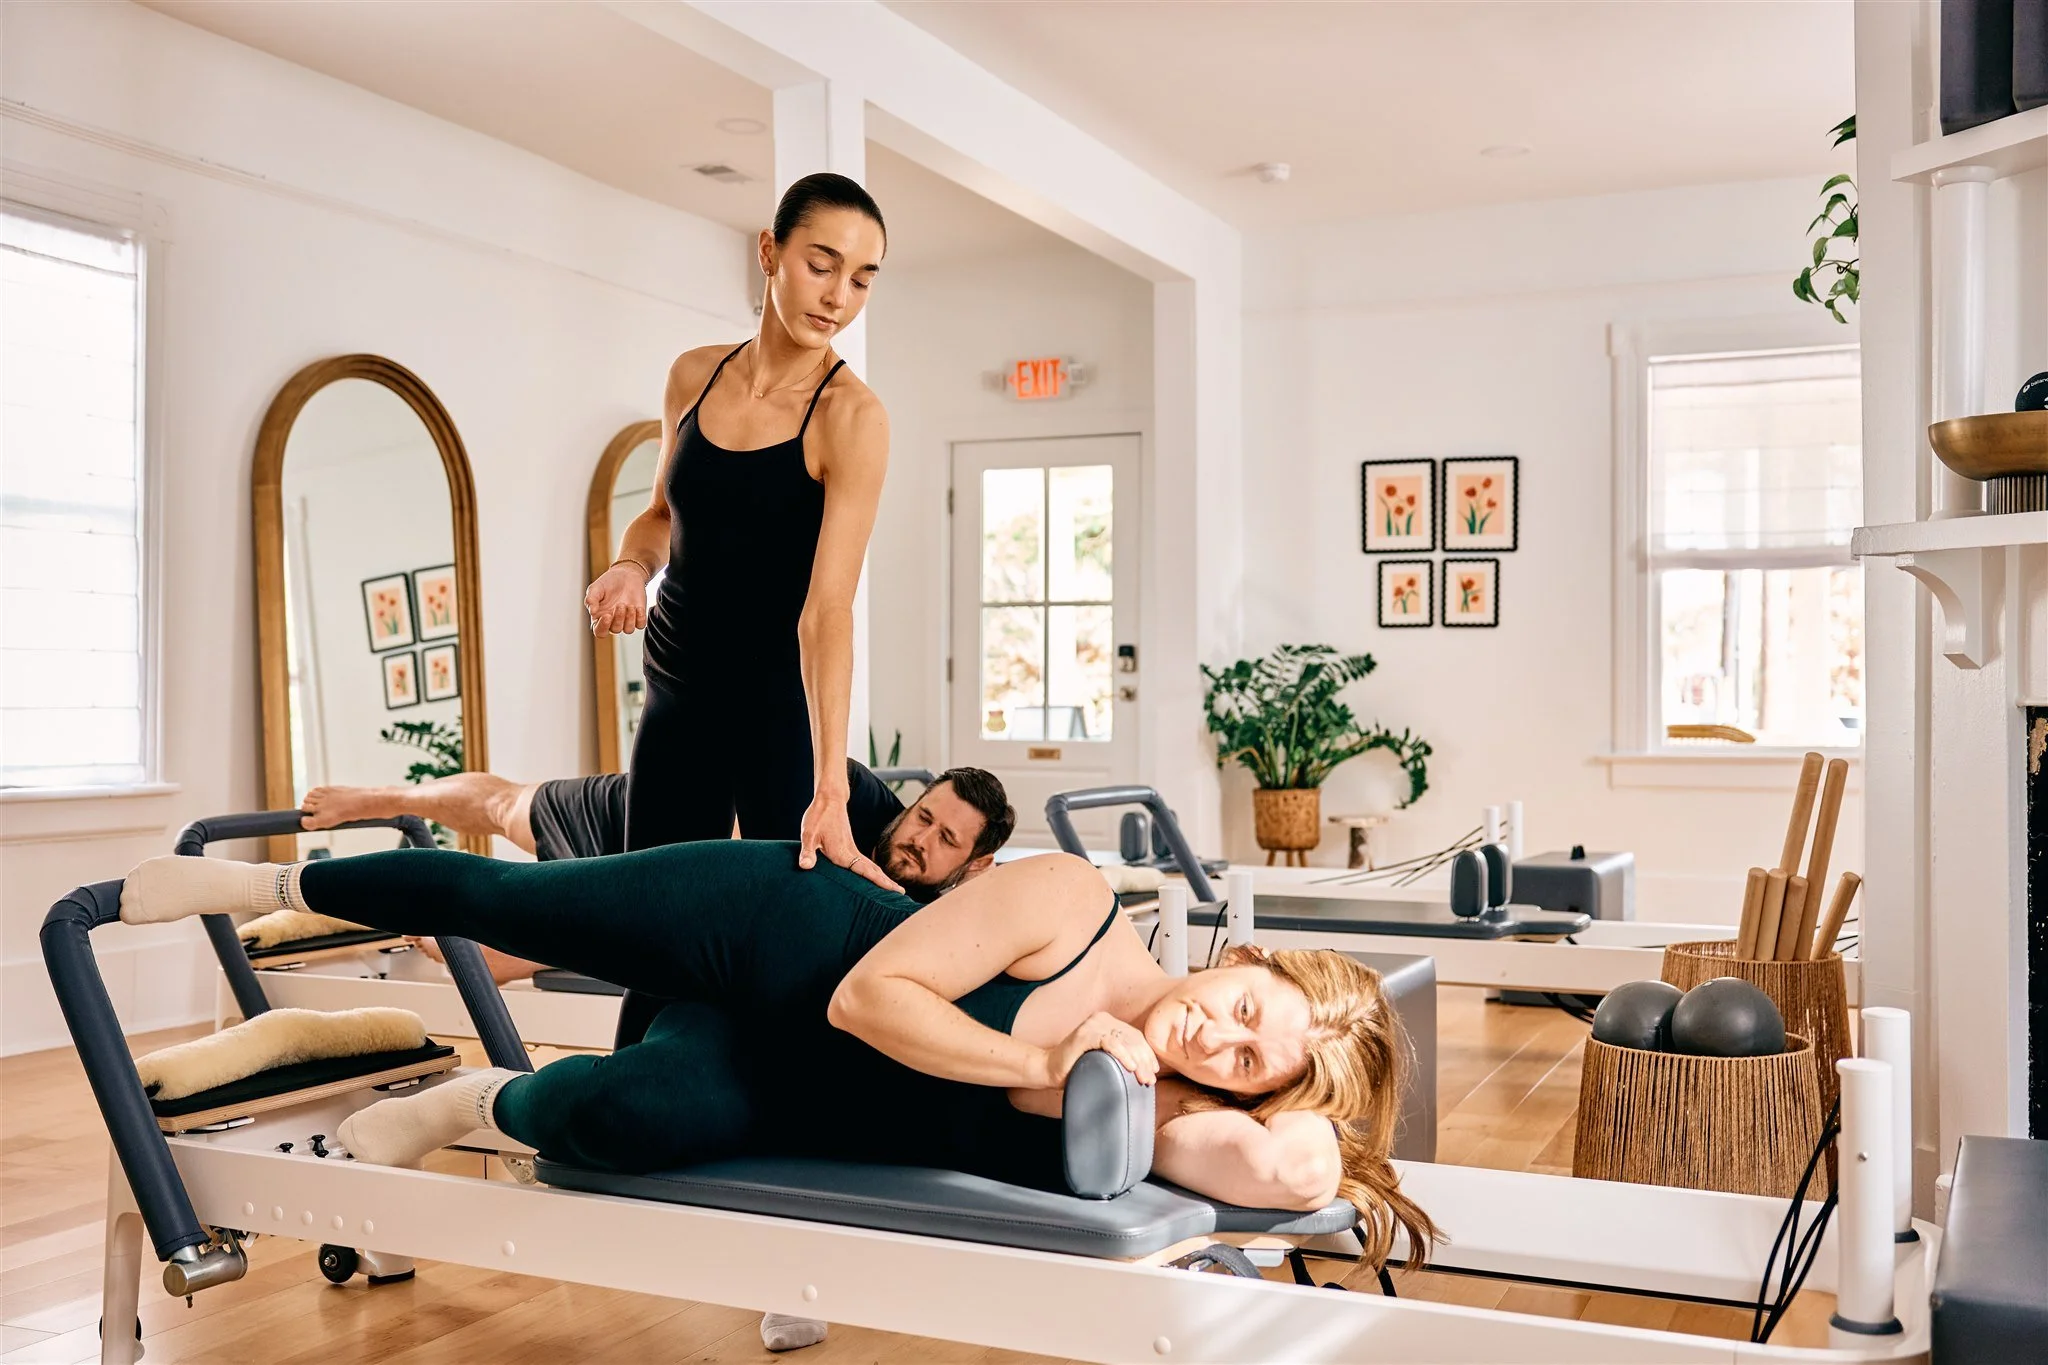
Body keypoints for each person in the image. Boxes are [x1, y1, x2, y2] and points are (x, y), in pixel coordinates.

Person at [120, 846, 1438, 1274]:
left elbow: (1284, 1165)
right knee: (513, 901)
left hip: (770, 1064)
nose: (1221, 1040)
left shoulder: (1152, 1100)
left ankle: (472, 1093)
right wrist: (1041, 1066)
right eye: (1246, 1009)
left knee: (634, 1121)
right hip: (780, 930)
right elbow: (872, 997)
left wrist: (1333, 1121)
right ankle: (260, 877)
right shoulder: (1069, 900)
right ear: (1237, 961)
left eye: (1252, 1061)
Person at [583, 172, 893, 888]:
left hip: (778, 703)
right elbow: (663, 515)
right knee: (651, 919)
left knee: (778, 939)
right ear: (769, 251)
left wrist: (831, 785)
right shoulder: (693, 375)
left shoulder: (850, 417)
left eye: (861, 279)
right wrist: (632, 566)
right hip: (676, 686)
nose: (837, 296)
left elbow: (828, 610)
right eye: (821, 265)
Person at [299, 765, 1015, 985]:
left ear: (974, 863)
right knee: (503, 803)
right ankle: (378, 800)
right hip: (666, 827)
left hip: (677, 911)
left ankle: (403, 907)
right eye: (924, 815)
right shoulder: (848, 791)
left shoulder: (933, 908)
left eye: (946, 838)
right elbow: (731, 847)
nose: (919, 837)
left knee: (464, 950)